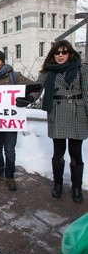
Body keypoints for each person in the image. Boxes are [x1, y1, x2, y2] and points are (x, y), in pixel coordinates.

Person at [24, 40, 88, 203]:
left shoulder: (82, 68)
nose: (60, 55)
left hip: (77, 112)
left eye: (64, 52)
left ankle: (76, 188)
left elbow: (87, 92)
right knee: (58, 153)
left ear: (70, 53)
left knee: (76, 153)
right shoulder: (47, 71)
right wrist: (29, 98)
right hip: (57, 112)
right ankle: (58, 185)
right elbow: (38, 88)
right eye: (57, 52)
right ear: (53, 54)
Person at [0, 50, 38, 191]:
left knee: (10, 151)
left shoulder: (15, 76)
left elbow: (37, 87)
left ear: (2, 61)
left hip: (10, 123)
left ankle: (10, 177)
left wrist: (29, 98)